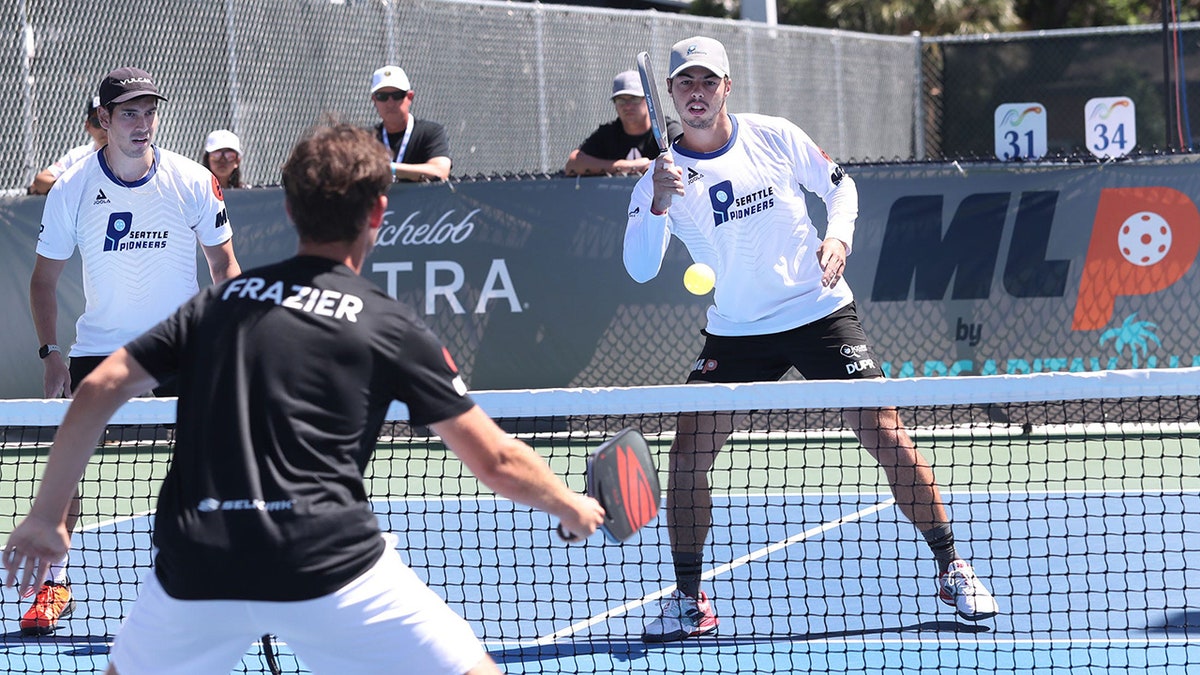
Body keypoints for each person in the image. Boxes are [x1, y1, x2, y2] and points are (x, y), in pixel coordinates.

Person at [3, 122, 603, 675]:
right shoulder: (390, 325)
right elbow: (494, 460)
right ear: (379, 214)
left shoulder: (214, 307)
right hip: (327, 566)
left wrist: (48, 515)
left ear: (289, 209)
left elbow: (100, 388)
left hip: (196, 569)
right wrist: (571, 506)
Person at [623, 36, 999, 643]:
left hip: (819, 311)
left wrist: (839, 238)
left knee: (886, 433)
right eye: (685, 83)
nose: (697, 93)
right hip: (738, 330)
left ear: (726, 87)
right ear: (671, 93)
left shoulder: (775, 135)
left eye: (707, 81)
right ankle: (690, 600)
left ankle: (952, 566)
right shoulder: (658, 180)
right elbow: (640, 267)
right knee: (688, 456)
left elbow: (841, 186)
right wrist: (660, 203)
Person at [23, 66, 241, 637]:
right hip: (100, 353)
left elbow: (224, 267)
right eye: (128, 113)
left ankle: (210, 578)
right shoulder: (71, 189)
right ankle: (52, 586)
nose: (142, 124)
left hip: (182, 347)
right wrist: (50, 353)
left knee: (211, 463)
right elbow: (44, 281)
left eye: (149, 112)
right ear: (103, 120)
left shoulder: (193, 180)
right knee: (66, 473)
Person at [564, 70, 683, 176]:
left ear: (648, 100)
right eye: (621, 100)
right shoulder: (608, 133)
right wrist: (628, 166)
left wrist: (653, 166)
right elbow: (573, 164)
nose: (627, 106)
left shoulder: (666, 129)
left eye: (634, 99)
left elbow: (685, 160)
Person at [369, 65, 452, 182]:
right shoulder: (366, 138)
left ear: (410, 97)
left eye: (397, 95)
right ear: (374, 100)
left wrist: (389, 168)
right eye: (382, 96)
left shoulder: (430, 132)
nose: (390, 103)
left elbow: (440, 171)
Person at [28, 96, 108, 195]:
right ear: (87, 126)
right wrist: (72, 187)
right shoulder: (78, 155)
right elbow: (41, 180)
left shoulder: (129, 154)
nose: (104, 127)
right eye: (97, 122)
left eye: (107, 120)